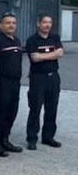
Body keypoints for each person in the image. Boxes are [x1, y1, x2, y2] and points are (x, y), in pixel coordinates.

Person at [25, 14, 64, 150]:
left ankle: (48, 137)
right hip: (38, 78)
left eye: (50, 22)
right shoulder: (32, 40)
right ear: (38, 23)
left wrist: (43, 56)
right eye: (45, 22)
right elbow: (34, 58)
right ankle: (32, 138)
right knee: (35, 108)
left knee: (52, 108)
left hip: (53, 77)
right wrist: (52, 54)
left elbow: (60, 53)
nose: (47, 25)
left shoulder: (55, 38)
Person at [0, 12, 23, 156]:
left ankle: (5, 139)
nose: (11, 25)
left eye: (13, 23)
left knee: (11, 112)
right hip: (2, 83)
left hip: (15, 83)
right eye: (8, 23)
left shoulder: (16, 40)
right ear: (1, 25)